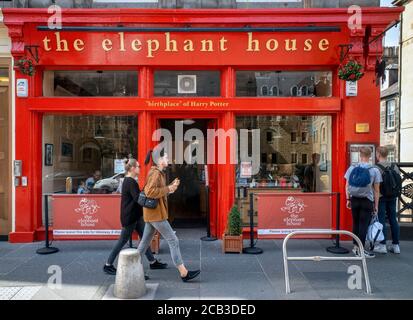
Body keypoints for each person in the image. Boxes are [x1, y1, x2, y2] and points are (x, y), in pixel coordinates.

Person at [137, 149, 201, 282]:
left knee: (145, 243)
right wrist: (168, 189)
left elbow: (158, 192)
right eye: (166, 157)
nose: (168, 159)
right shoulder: (155, 173)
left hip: (152, 213)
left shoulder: (158, 173)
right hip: (156, 215)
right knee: (173, 240)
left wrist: (171, 187)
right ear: (159, 160)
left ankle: (131, 267)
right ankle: (184, 273)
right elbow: (149, 192)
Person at [103, 158, 167, 276]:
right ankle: (108, 264)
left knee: (145, 239)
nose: (139, 168)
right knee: (122, 241)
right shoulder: (130, 181)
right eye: (138, 166)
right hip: (130, 217)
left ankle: (152, 262)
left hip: (135, 216)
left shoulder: (130, 181)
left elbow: (137, 197)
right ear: (132, 168)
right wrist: (149, 193)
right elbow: (138, 198)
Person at [345, 147, 382, 258]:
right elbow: (376, 190)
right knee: (363, 225)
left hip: (354, 199)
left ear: (360, 155)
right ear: (370, 156)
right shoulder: (374, 170)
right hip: (367, 201)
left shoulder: (352, 168)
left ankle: (355, 247)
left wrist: (348, 199)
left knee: (355, 223)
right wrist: (376, 205)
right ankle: (360, 250)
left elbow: (346, 185)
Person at [373, 146, 401, 254]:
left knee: (381, 220)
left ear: (379, 154)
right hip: (393, 196)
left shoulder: (376, 168)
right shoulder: (395, 167)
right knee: (393, 219)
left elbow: (374, 185)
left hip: (381, 197)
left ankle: (382, 245)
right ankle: (396, 245)